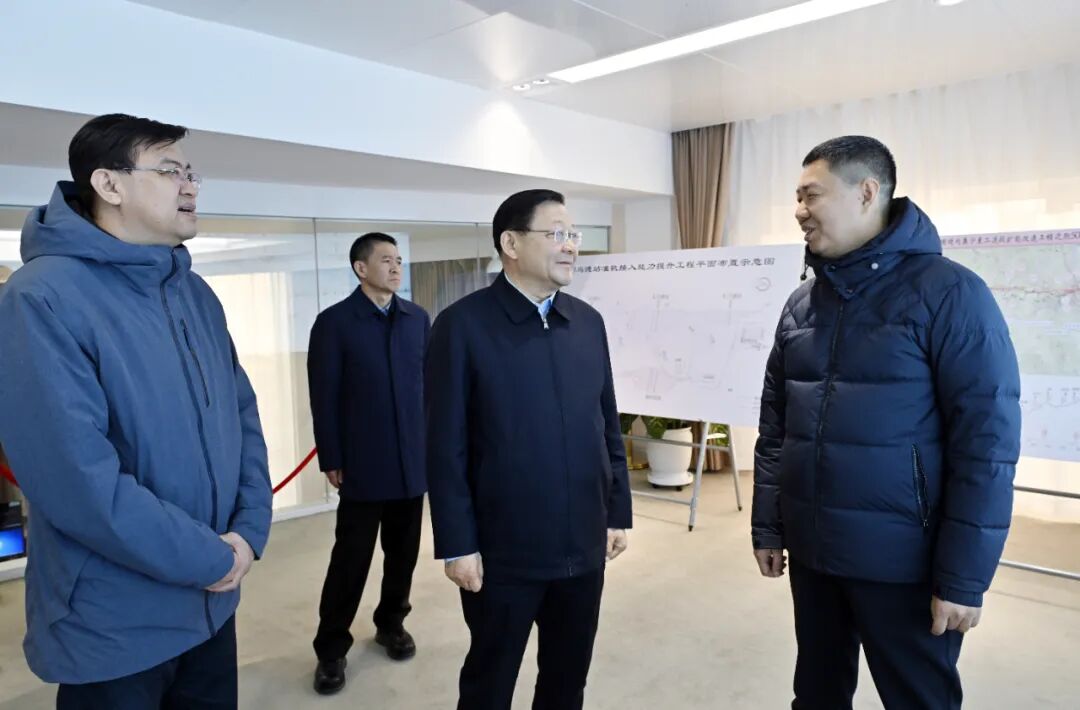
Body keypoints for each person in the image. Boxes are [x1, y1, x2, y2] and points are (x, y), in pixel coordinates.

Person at [0, 113, 272, 707]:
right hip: (114, 622)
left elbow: (242, 417)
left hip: (212, 603)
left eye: (191, 172)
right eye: (170, 170)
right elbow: (78, 481)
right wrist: (211, 557)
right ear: (109, 184)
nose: (190, 185)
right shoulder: (41, 297)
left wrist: (249, 531)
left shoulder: (194, 293)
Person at [751, 135, 1021, 709]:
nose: (799, 210)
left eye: (811, 195)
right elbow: (776, 428)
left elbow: (986, 447)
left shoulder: (951, 294)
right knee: (816, 694)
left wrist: (964, 577)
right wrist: (769, 526)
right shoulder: (802, 304)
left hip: (904, 563)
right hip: (814, 553)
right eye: (797, 197)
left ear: (866, 192)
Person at [425, 188, 633, 710]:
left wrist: (616, 512)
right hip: (503, 554)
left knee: (567, 680)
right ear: (511, 243)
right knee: (489, 683)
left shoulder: (587, 322)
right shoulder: (461, 326)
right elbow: (445, 445)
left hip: (583, 545)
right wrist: (457, 544)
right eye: (556, 233)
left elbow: (606, 423)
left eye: (573, 234)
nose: (570, 246)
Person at [307, 232, 430, 695]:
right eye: (386, 260)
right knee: (351, 559)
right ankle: (331, 649)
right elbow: (324, 396)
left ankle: (391, 623)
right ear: (361, 268)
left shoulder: (417, 319)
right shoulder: (334, 323)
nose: (396, 268)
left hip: (411, 462)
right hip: (362, 463)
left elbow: (429, 389)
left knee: (403, 554)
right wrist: (332, 456)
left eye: (399, 260)